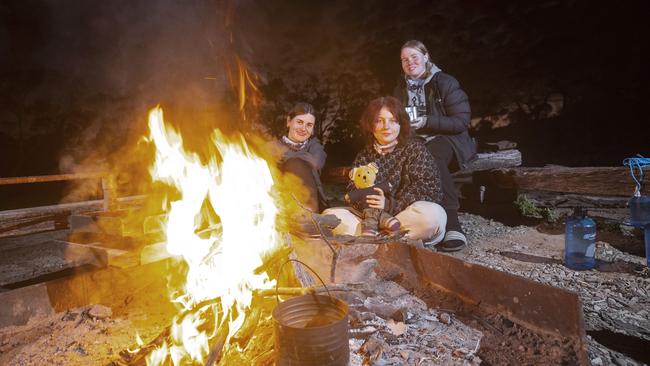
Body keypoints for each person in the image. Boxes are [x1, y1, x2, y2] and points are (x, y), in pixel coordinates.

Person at [323, 96, 447, 243]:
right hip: (370, 219)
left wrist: (389, 204)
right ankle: (385, 238)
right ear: (370, 125)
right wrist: (370, 205)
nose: (386, 126)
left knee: (432, 216)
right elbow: (353, 189)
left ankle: (373, 238)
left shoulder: (415, 149)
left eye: (393, 121)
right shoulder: (365, 154)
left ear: (401, 124)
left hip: (403, 217)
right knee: (329, 216)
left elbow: (428, 188)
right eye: (379, 120)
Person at [394, 39, 476, 252]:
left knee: (431, 156)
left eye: (414, 57)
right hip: (416, 139)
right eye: (404, 59)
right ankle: (401, 218)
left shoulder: (444, 82)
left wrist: (427, 121)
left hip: (450, 139)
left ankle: (452, 224)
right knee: (397, 155)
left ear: (426, 57)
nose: (409, 62)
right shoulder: (400, 88)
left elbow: (462, 121)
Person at [269, 102, 327, 213]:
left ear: (313, 129)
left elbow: (318, 163)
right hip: (280, 202)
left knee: (295, 164)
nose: (303, 128)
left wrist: (284, 158)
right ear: (289, 122)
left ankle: (307, 218)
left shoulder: (314, 146)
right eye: (299, 122)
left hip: (311, 205)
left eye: (309, 125)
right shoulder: (272, 146)